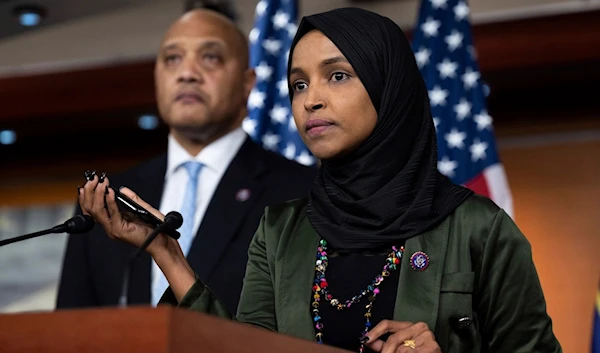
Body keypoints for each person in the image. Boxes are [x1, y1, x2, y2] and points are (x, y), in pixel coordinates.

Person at [79, 7, 562, 353]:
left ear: (386, 85)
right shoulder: (282, 228)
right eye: (299, 84)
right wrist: (167, 254)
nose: (310, 100)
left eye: (337, 76)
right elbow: (244, 349)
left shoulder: (480, 227)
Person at [57, 9, 316, 313]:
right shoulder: (107, 196)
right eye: (172, 59)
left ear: (248, 83)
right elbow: (72, 323)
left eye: (210, 58)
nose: (187, 73)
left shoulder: (303, 191)